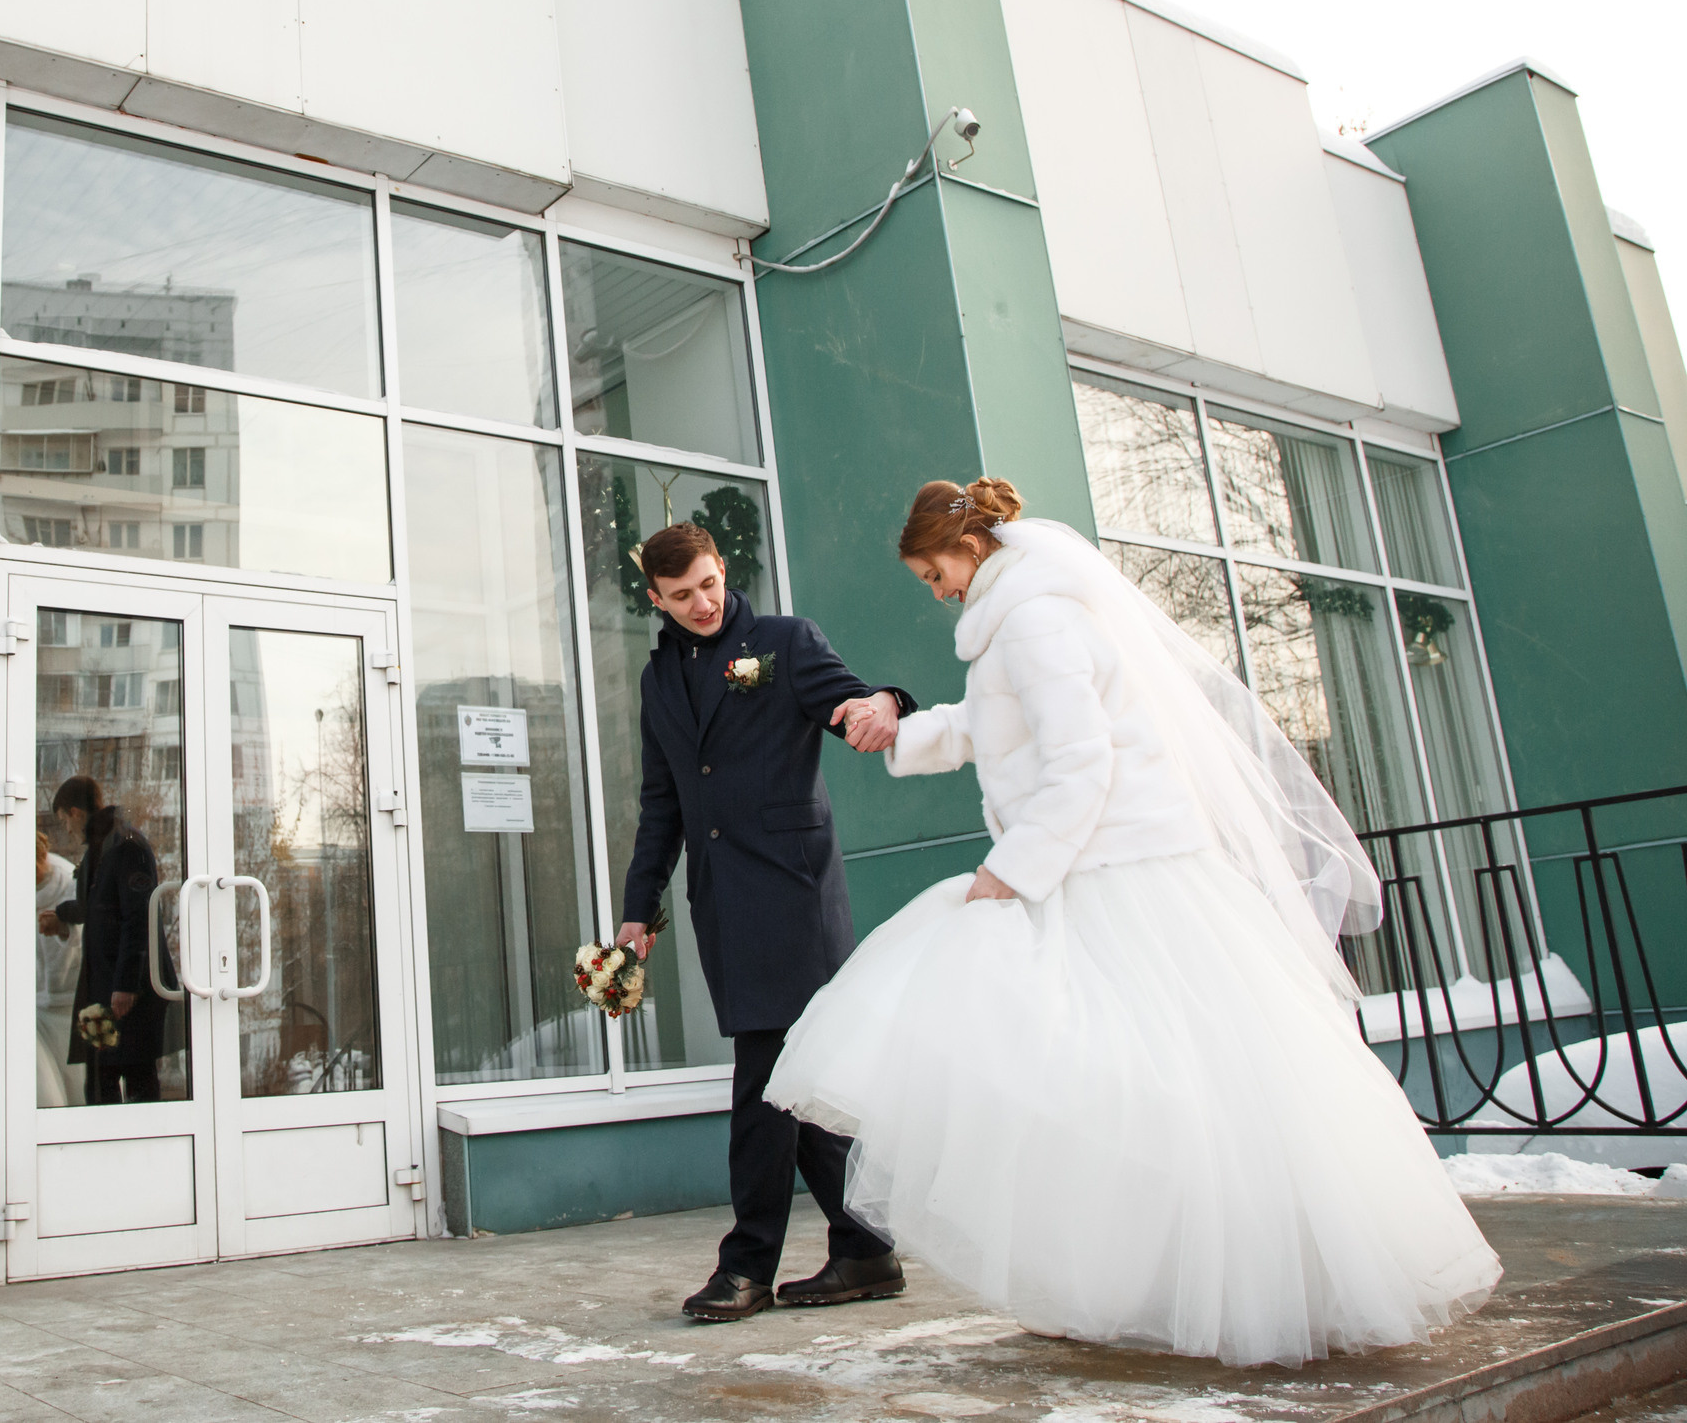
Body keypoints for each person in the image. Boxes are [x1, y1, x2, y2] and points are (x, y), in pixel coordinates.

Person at [766, 478, 1501, 1366]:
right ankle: (1109, 1280)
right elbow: (1004, 728)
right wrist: (909, 730)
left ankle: (1235, 1278)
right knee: (1099, 1087)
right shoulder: (1018, 614)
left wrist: (1011, 872)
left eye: (932, 572)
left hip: (1112, 873)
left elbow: (1082, 765)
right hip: (1087, 866)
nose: (935, 589)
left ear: (969, 549)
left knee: (1144, 1089)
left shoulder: (1034, 621)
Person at [616, 522, 920, 1323]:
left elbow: (850, 699)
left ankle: (746, 1264)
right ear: (656, 598)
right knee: (799, 1082)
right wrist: (638, 910)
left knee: (761, 1081)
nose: (704, 602)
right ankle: (866, 1248)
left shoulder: (784, 643)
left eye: (711, 583)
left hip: (793, 895)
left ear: (724, 570)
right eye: (682, 595)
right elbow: (663, 805)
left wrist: (882, 704)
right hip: (723, 902)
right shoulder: (657, 683)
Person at [46, 775, 173, 1103]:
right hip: (104, 990)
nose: (67, 831)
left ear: (76, 813)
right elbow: (95, 906)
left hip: (125, 992)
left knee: (135, 1077)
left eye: (64, 822)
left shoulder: (125, 844)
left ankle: (145, 1148)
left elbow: (138, 917)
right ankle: (110, 1148)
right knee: (100, 1078)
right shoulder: (102, 848)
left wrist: (126, 986)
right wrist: (60, 914)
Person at [34, 831, 83, 1107]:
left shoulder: (68, 881)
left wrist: (62, 927)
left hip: (66, 1003)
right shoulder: (10, 876)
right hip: (35, 1002)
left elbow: (84, 931)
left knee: (75, 1081)